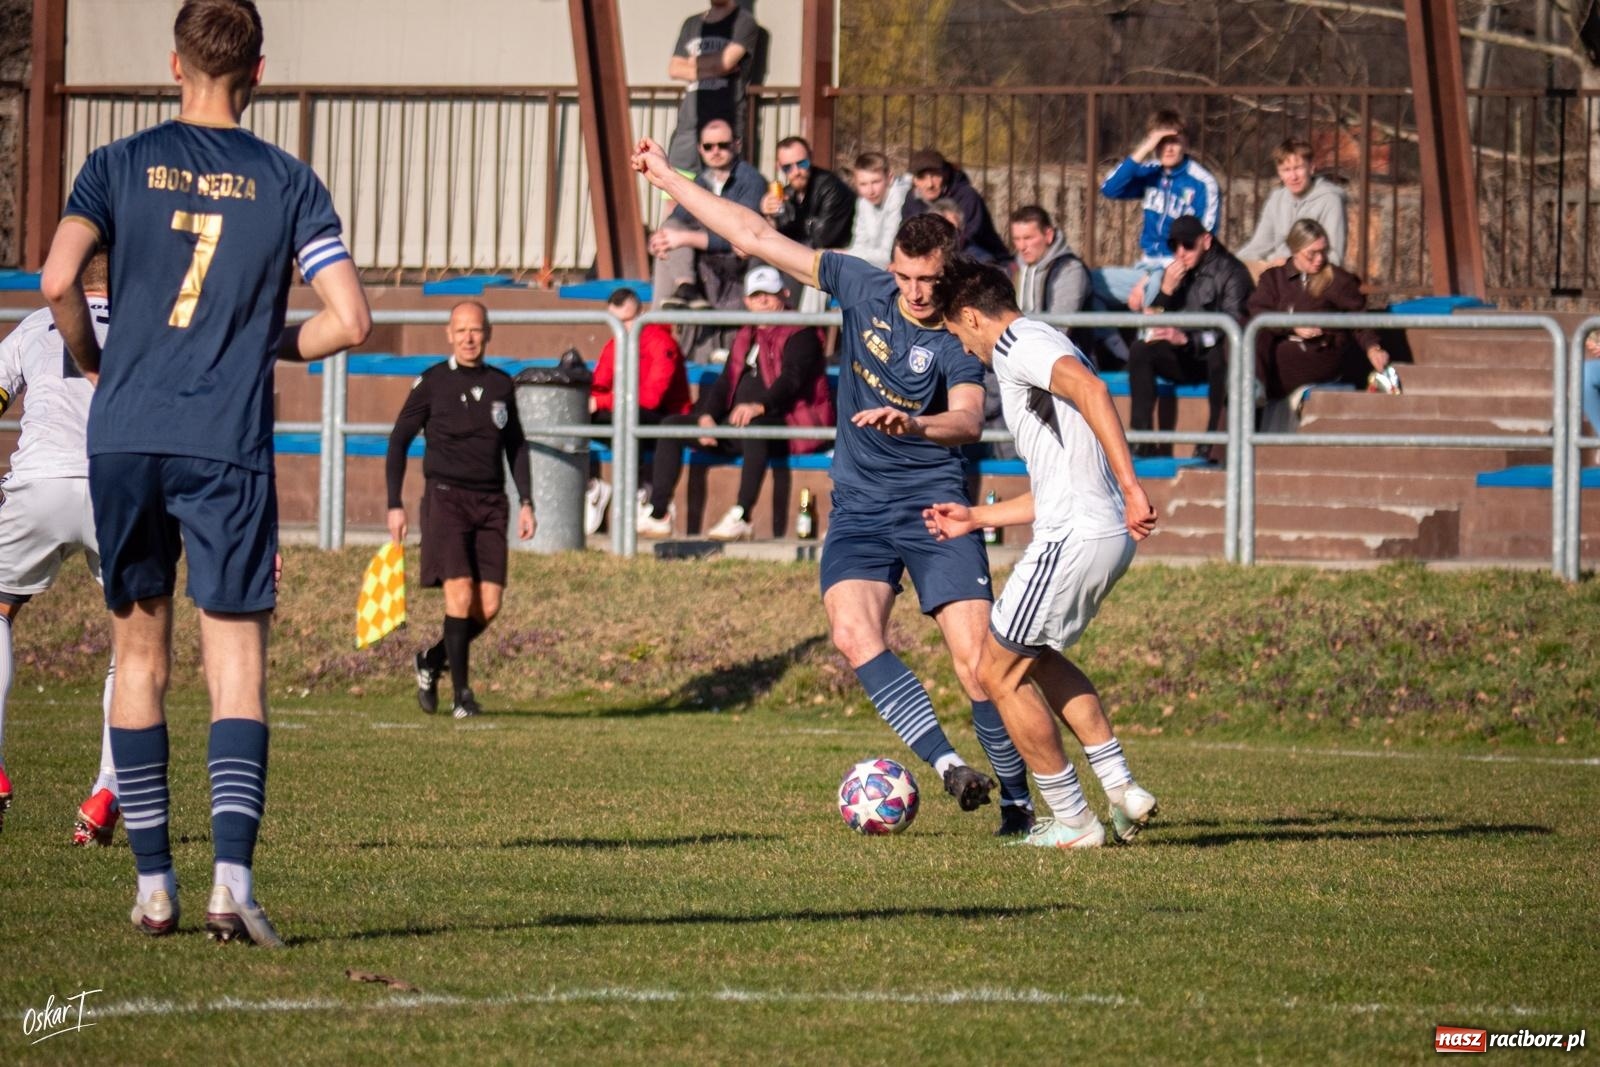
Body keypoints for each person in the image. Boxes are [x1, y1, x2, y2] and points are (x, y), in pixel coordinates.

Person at [40, 0, 372, 946]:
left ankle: (154, 885)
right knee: (236, 668)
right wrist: (274, 343)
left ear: (172, 63)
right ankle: (232, 886)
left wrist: (90, 360)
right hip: (225, 440)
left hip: (126, 434)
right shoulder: (291, 181)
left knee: (138, 656)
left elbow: (58, 278)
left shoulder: (115, 162)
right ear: (259, 71)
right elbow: (352, 320)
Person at [633, 135, 1039, 835]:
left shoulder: (956, 332)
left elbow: (970, 420)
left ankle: (1018, 799)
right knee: (853, 633)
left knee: (977, 669)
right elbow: (753, 233)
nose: (914, 292)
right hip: (858, 504)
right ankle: (948, 768)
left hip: (936, 509)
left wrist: (914, 425)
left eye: (926, 280)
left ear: (950, 272)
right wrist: (670, 179)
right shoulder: (861, 282)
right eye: (904, 277)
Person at [927, 257, 1160, 848]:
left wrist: (1133, 485)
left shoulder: (1016, 344)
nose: (966, 350)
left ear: (973, 317)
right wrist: (978, 517)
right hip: (1095, 530)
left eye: (958, 335)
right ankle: (1122, 789)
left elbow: (1094, 389)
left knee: (992, 670)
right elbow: (1059, 478)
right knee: (1037, 657)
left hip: (1077, 535)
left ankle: (1073, 819)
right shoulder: (1045, 338)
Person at [0, 252, 121, 847]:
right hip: (115, 490)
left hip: (39, 482)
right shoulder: (144, 327)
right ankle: (106, 792)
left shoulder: (34, 324)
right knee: (134, 642)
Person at [387, 301, 536, 720]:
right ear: (448, 334)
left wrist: (526, 501)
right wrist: (393, 503)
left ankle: (431, 660)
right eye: (461, 330)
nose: (469, 338)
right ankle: (462, 696)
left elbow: (516, 446)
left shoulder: (501, 385)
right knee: (460, 592)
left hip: (492, 503)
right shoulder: (433, 382)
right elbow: (398, 440)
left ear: (487, 333)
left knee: (488, 606)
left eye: (476, 330)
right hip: (446, 499)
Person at [639, 266, 832, 541]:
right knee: (671, 426)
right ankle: (659, 514)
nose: (763, 300)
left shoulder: (801, 333)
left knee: (755, 425)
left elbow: (792, 380)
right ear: (747, 301)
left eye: (770, 294)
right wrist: (707, 415)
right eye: (757, 295)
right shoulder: (745, 334)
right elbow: (725, 382)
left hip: (793, 423)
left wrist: (758, 406)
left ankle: (742, 515)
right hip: (738, 423)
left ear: (785, 295)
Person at [1126, 215, 1251, 464]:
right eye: (1174, 246)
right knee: (1141, 350)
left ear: (1206, 240)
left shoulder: (1232, 272)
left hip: (1214, 354)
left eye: (1187, 245)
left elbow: (1235, 325)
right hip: (1185, 355)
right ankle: (1142, 439)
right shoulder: (1176, 273)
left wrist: (1188, 339)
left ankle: (1212, 441)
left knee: (1221, 356)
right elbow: (1155, 322)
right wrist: (1165, 292)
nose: (1181, 253)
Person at [586, 287, 693, 534]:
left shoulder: (661, 343)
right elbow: (598, 383)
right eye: (615, 322)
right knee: (574, 414)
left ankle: (638, 492)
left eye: (628, 320)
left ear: (642, 313)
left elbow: (651, 399)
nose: (623, 328)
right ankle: (591, 488)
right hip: (629, 413)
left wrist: (601, 401)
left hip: (665, 418)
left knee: (621, 417)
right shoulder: (614, 344)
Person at [1249, 219, 1390, 404]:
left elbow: (1358, 316)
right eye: (1311, 254)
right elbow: (1257, 310)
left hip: (1319, 352)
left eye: (1323, 251)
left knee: (1269, 360)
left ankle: (1251, 392)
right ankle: (1250, 390)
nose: (1319, 259)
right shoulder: (1274, 279)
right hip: (1280, 348)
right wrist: (1292, 326)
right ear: (1295, 250)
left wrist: (1373, 348)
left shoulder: (1337, 280)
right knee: (1241, 339)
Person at [1095, 109, 1221, 314]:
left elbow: (1205, 238)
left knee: (1152, 291)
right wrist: (1145, 147)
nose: (1168, 149)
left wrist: (1148, 280)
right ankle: (1113, 345)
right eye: (1161, 142)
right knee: (1091, 282)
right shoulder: (1151, 172)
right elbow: (1109, 188)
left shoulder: (1202, 182)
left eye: (1174, 141)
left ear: (1185, 142)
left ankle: (1148, 341)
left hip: (1179, 268)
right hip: (1146, 265)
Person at [650, 117, 766, 331]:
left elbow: (743, 236)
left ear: (736, 145)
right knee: (669, 232)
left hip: (737, 260)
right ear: (700, 150)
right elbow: (677, 219)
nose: (715, 151)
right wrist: (658, 240)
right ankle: (681, 293)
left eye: (723, 145)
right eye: (708, 146)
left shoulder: (751, 181)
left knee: (675, 238)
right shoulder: (701, 181)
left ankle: (659, 324)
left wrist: (685, 238)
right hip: (704, 261)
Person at [664, 0, 762, 172]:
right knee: (675, 187)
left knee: (721, 191)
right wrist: (713, 68)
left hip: (725, 128)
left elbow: (725, 63)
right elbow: (674, 69)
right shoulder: (691, 24)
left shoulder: (744, 22)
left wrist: (693, 62)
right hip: (688, 127)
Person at [1236, 139, 1350, 281]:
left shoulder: (1331, 200)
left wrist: (1291, 264)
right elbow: (1259, 245)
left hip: (1311, 275)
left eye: (1298, 168)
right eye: (1286, 170)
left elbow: (1334, 257)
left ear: (1311, 167)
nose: (1293, 176)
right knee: (1234, 274)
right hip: (1274, 269)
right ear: (1279, 173)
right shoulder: (1276, 199)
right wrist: (1231, 263)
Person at [762, 136, 854, 311]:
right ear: (779, 167)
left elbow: (822, 238)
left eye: (802, 164)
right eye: (788, 167)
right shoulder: (788, 193)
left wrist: (793, 218)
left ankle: (796, 327)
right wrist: (768, 216)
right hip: (805, 260)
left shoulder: (830, 187)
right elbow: (778, 234)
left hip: (833, 262)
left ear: (811, 158)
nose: (796, 171)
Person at [900, 147, 1010, 264]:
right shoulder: (912, 198)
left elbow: (969, 237)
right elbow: (904, 233)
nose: (930, 184)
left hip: (979, 258)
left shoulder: (967, 196)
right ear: (914, 180)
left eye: (935, 175)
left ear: (945, 174)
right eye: (922, 177)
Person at [1009, 205, 1089, 318]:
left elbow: (1060, 325)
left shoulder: (1069, 269)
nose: (1021, 246)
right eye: (1016, 239)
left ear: (1048, 235)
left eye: (1028, 238)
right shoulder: (1012, 269)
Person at [843, 152, 911, 269]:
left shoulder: (898, 197)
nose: (870, 191)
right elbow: (859, 242)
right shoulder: (863, 202)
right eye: (863, 184)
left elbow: (889, 252)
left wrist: (847, 255)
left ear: (889, 179)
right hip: (871, 264)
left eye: (875, 182)